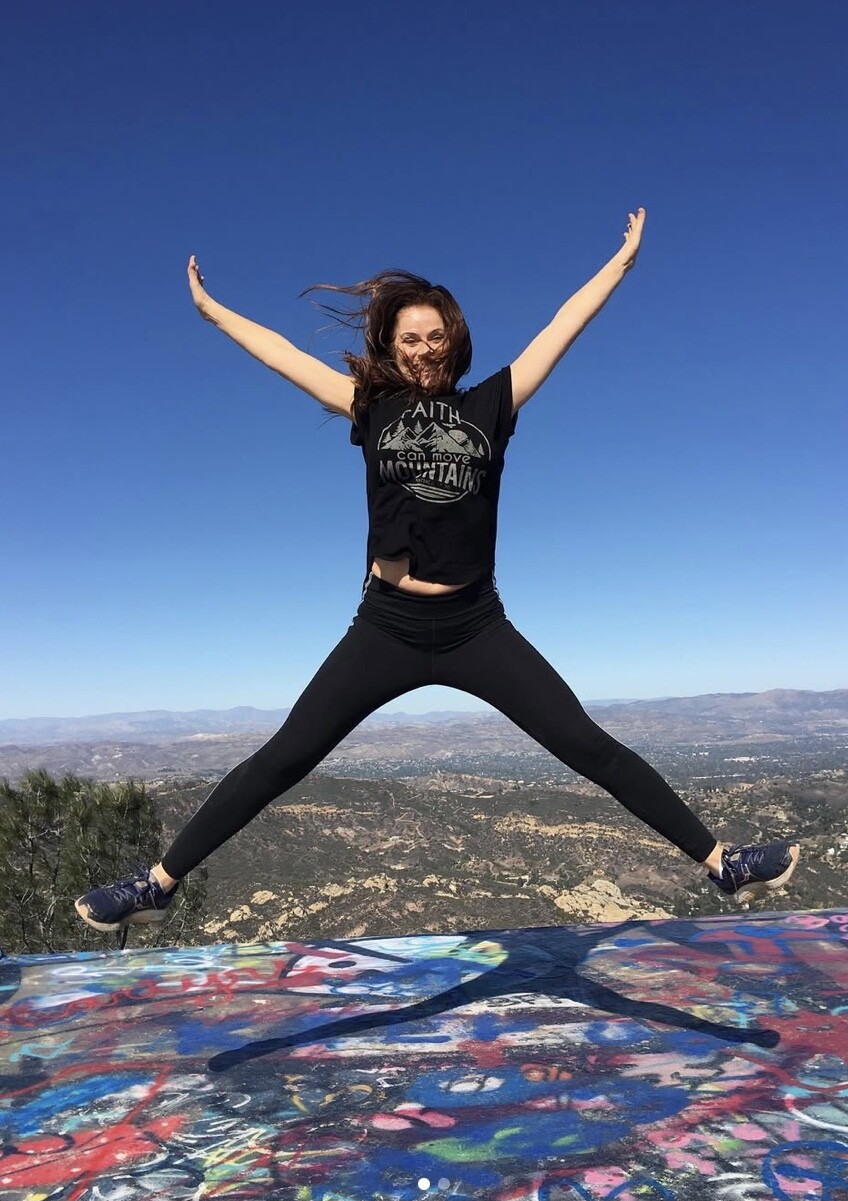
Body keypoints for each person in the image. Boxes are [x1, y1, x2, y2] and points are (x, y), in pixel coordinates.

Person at [75, 209, 799, 937]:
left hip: (474, 624)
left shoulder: (491, 404)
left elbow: (561, 327)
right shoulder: (371, 406)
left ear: (453, 340)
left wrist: (621, 263)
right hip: (386, 625)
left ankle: (722, 863)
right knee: (284, 757)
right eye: (409, 339)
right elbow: (284, 356)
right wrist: (212, 311)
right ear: (392, 347)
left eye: (434, 336)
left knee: (587, 744)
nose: (423, 349)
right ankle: (158, 884)